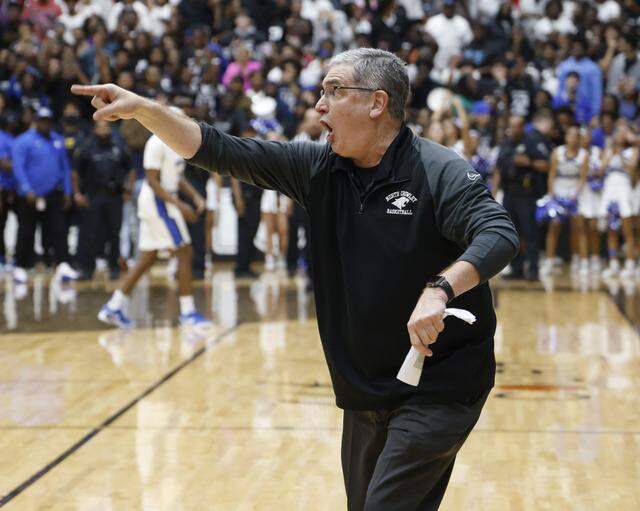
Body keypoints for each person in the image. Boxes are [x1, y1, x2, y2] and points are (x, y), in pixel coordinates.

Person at [72, 48, 519, 510]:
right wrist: (146, 109)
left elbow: (499, 233)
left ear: (377, 103)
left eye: (334, 91)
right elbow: (219, 149)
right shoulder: (318, 169)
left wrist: (440, 288)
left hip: (442, 383)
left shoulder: (436, 168)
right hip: (367, 385)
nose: (318, 106)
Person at [96, 120, 211, 329]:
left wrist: (195, 196)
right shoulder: (156, 143)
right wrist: (180, 206)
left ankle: (113, 306)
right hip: (158, 204)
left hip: (165, 202)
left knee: (148, 258)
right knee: (185, 252)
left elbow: (176, 177)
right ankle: (187, 313)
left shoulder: (177, 143)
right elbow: (152, 181)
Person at [11, 106, 77, 283]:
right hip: (30, 195)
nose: (45, 124)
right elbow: (18, 167)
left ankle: (63, 263)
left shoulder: (58, 140)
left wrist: (68, 191)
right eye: (42, 120)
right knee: (26, 230)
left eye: (48, 121)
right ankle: (20, 265)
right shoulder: (23, 141)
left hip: (53, 193)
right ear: (36, 121)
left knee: (59, 229)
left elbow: (65, 168)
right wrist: (27, 189)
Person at [73, 120, 135, 280]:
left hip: (114, 196)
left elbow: (131, 168)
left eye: (106, 127)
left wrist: (129, 189)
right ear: (95, 130)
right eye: (100, 127)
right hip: (93, 196)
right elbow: (74, 172)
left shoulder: (118, 147)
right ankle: (87, 268)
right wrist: (77, 193)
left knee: (114, 233)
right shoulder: (87, 148)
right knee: (90, 233)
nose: (103, 131)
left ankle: (114, 267)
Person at [540, 126, 588, 276]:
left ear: (578, 139)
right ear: (566, 137)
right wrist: (551, 194)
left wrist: (575, 193)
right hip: (558, 191)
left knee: (578, 227)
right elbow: (552, 174)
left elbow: (582, 177)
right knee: (554, 226)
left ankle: (582, 261)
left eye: (575, 136)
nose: (572, 138)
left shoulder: (583, 155)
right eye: (569, 135)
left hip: (575, 192)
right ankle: (549, 260)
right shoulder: (557, 152)